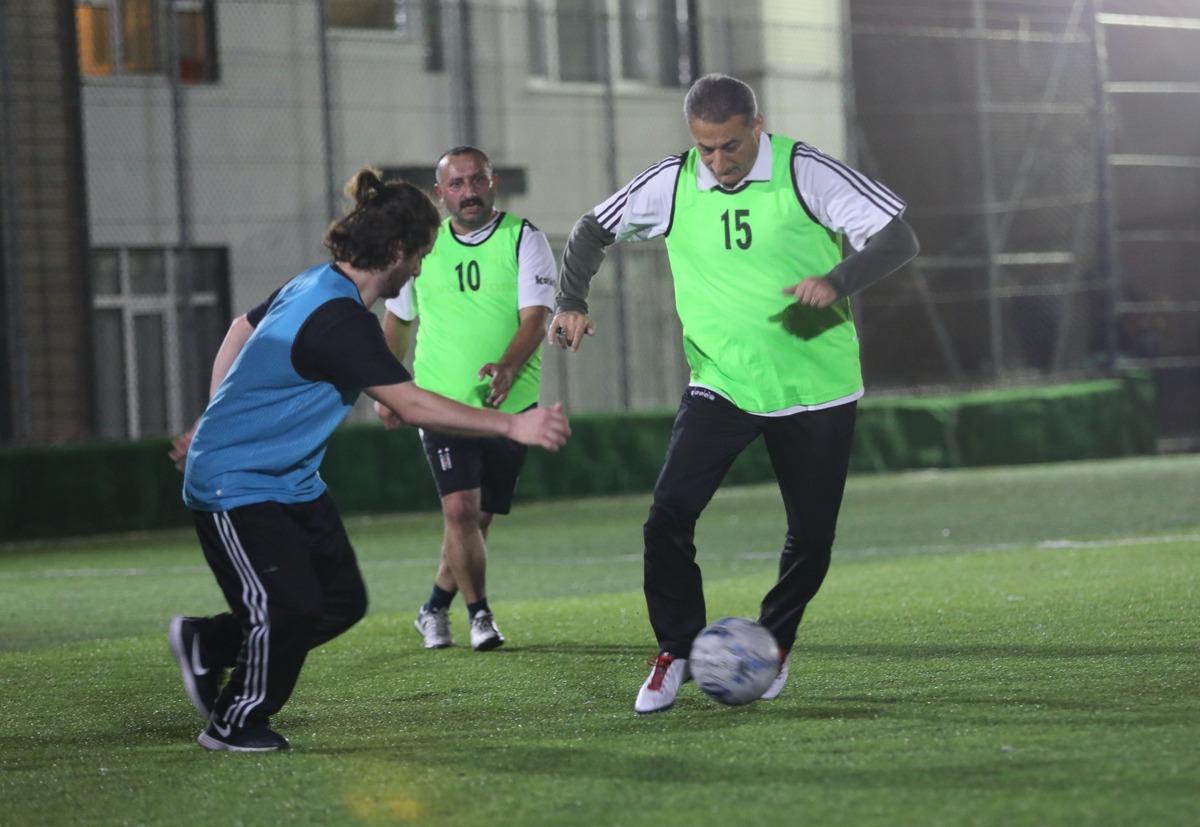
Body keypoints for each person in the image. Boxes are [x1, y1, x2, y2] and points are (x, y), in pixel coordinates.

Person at [549, 74, 919, 714]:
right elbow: (589, 231)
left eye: (730, 146)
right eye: (706, 148)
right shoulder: (672, 180)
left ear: (757, 126)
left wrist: (836, 280)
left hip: (816, 388)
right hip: (720, 383)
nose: (718, 162)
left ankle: (772, 643)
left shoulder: (806, 171)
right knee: (667, 518)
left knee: (811, 538)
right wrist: (571, 301)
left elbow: (898, 238)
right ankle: (676, 650)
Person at [166, 168, 570, 752]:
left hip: (291, 481)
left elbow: (239, 330)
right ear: (398, 251)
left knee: (339, 603)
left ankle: (209, 644)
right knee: (290, 609)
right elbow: (408, 402)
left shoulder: (316, 283)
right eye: (422, 255)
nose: (423, 268)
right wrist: (513, 423)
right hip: (237, 482)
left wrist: (214, 411)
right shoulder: (341, 321)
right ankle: (234, 722)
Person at [380, 146, 555, 652]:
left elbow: (534, 319)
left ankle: (433, 607)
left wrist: (507, 366)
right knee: (459, 509)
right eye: (456, 184)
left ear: (492, 182)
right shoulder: (422, 249)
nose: (468, 192)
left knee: (476, 520)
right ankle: (479, 616)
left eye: (476, 180)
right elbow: (398, 320)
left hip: (510, 407)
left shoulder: (524, 239)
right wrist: (387, 388)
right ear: (440, 195)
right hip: (438, 403)